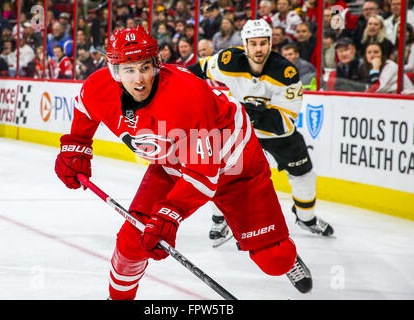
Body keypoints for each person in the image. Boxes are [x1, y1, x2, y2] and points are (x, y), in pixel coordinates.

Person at [54, 25, 313, 299]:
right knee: (132, 241)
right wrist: (77, 146)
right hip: (175, 165)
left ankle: (286, 256)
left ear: (156, 63)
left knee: (275, 260)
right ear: (114, 71)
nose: (139, 79)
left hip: (236, 168)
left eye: (144, 67)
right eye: (128, 70)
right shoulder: (99, 86)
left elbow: (204, 176)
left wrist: (169, 215)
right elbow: (85, 106)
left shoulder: (187, 95)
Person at [188, 19, 334, 243]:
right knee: (223, 173)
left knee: (304, 176)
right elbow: (200, 69)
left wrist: (246, 111)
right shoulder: (229, 61)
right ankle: (221, 217)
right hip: (242, 131)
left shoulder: (286, 73)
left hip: (280, 137)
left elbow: (284, 123)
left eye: (263, 43)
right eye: (253, 44)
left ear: (270, 44)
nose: (258, 49)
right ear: (245, 44)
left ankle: (306, 218)